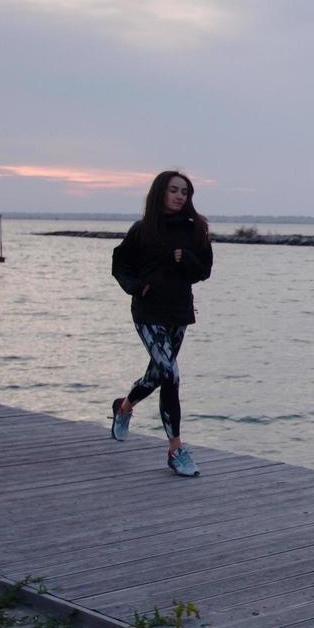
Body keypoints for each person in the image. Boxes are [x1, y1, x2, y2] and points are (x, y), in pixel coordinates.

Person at [109, 170, 214, 478]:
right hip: (148, 310)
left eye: (185, 192)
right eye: (174, 190)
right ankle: (175, 449)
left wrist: (186, 259)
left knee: (159, 374)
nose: (180, 196)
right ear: (160, 193)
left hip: (179, 311)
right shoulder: (143, 230)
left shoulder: (196, 231)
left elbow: (204, 270)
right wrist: (135, 286)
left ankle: (124, 407)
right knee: (170, 373)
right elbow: (120, 263)